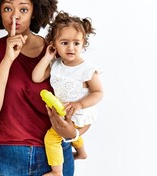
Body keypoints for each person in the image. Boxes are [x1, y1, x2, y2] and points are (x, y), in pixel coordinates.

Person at [0, 0, 86, 176]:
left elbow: (82, 99)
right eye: (8, 8)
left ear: (35, 11)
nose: (15, 16)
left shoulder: (56, 50)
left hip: (54, 158)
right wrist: (7, 59)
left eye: (23, 9)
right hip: (6, 158)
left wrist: (74, 133)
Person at [32, 11, 104, 176]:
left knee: (51, 139)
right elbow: (36, 77)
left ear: (83, 43)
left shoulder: (86, 69)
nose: (71, 48)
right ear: (54, 44)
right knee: (68, 132)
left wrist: (80, 104)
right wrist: (47, 57)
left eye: (76, 43)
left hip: (78, 115)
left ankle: (57, 172)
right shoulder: (56, 65)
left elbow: (98, 92)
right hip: (64, 114)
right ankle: (82, 153)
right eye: (64, 42)